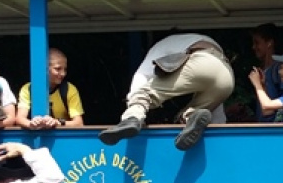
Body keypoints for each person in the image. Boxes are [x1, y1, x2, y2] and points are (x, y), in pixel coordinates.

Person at [99, 32, 234, 150]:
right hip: (227, 77)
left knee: (144, 93)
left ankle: (132, 119)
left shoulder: (160, 46)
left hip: (203, 61)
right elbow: (217, 111)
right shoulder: (192, 40)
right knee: (193, 114)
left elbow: (142, 75)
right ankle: (190, 118)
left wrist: (133, 103)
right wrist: (218, 130)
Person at [16, 48, 85, 129]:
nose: (63, 74)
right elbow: (19, 119)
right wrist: (31, 123)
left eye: (65, 69)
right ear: (44, 69)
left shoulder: (69, 89)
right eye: (58, 69)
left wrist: (57, 122)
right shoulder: (28, 89)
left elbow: (79, 123)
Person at [250, 23, 283, 122]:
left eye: (257, 43)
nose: (253, 47)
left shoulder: (280, 69)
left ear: (269, 43)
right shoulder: (262, 70)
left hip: (276, 131)